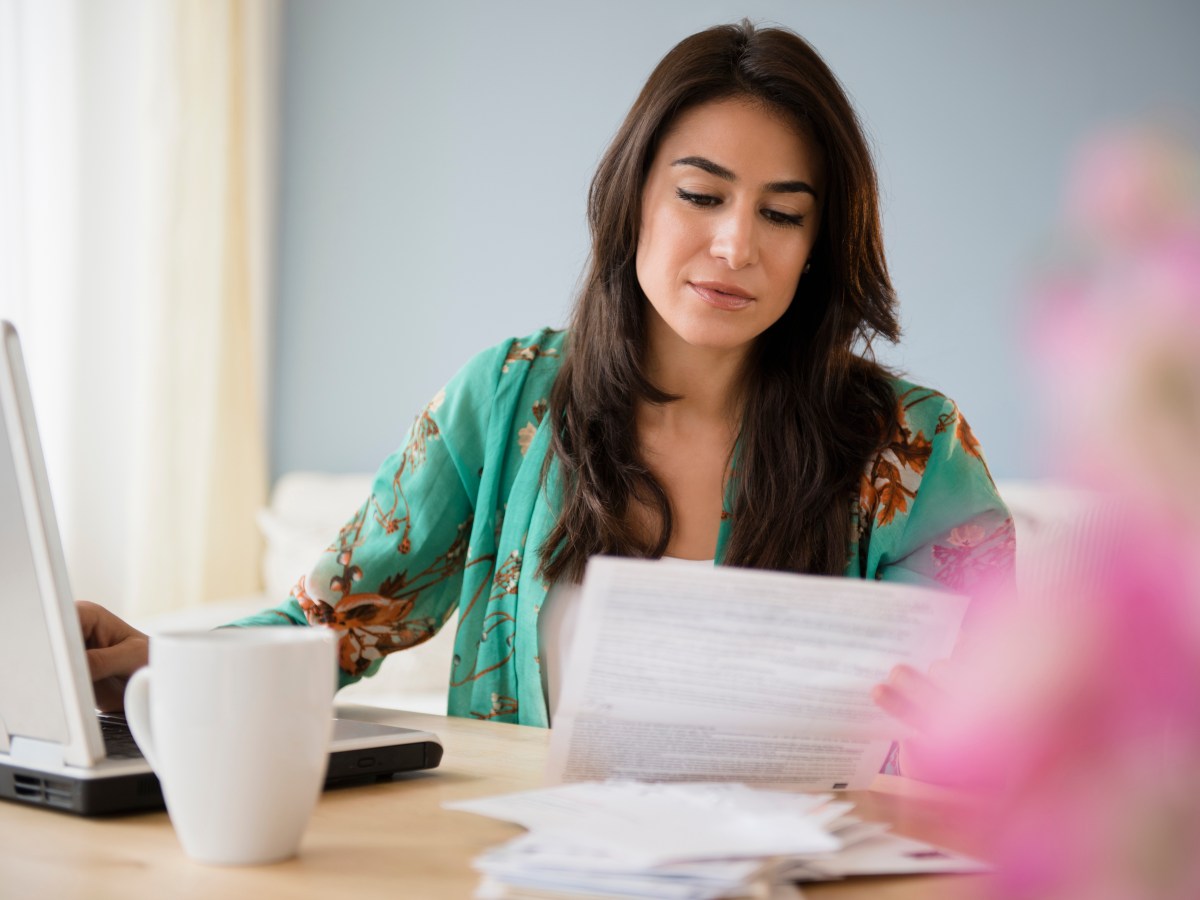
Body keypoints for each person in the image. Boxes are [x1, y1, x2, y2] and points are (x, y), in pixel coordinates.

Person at [79, 21, 1013, 774]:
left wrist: (973, 742)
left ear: (817, 245)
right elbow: (335, 623)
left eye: (781, 213)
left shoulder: (913, 448)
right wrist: (169, 662)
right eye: (701, 195)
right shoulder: (508, 397)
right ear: (634, 196)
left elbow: (1015, 723)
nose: (736, 245)